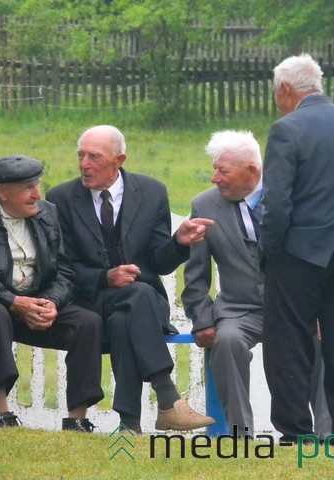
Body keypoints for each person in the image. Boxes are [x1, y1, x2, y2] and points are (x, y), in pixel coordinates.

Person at [46, 125, 215, 435]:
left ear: (119, 159)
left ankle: (130, 425)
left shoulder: (152, 192)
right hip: (89, 302)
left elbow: (159, 263)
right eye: (80, 155)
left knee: (131, 309)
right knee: (136, 299)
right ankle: (167, 398)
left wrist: (179, 242)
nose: (84, 164)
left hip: (141, 306)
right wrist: (104, 277)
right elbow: (61, 266)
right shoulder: (60, 198)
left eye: (94, 157)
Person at [257, 54, 334, 444]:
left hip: (299, 254)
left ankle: (297, 432)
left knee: (289, 344)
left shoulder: (287, 130)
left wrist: (268, 251)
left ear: (287, 90)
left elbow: (276, 204)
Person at [182, 129, 331, 438]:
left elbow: (319, 258)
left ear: (252, 170)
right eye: (214, 169)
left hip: (294, 306)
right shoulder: (204, 206)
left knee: (323, 342)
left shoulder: (295, 198)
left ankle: (327, 435)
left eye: (222, 171)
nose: (214, 178)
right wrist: (202, 319)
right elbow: (196, 275)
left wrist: (320, 309)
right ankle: (240, 436)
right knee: (227, 341)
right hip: (239, 310)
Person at [0, 154, 104, 430]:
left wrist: (51, 302)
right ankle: (1, 414)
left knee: (87, 321)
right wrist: (13, 301)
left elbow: (65, 271)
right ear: (1, 192)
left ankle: (77, 419)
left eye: (38, 185)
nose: (37, 195)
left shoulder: (47, 213)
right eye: (28, 188)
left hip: (33, 303)